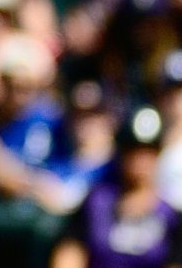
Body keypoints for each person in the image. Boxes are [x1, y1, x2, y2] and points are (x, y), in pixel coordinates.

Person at [50, 106, 182, 268]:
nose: (139, 161)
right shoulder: (97, 202)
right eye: (132, 151)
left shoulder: (171, 215)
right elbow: (70, 252)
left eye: (147, 152)